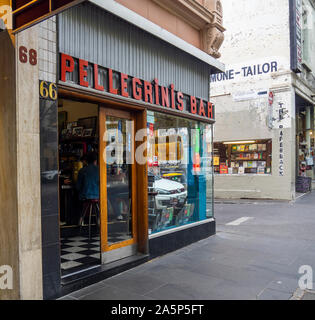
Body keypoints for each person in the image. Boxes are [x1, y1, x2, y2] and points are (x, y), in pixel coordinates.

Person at [76, 152, 100, 225]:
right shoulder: (100, 169)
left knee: (76, 199)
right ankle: (99, 219)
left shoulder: (82, 171)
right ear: (95, 160)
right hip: (98, 196)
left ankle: (81, 219)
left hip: (85, 196)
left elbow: (78, 187)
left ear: (86, 161)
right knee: (99, 202)